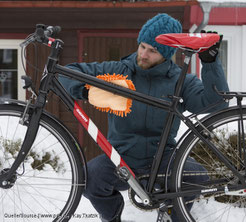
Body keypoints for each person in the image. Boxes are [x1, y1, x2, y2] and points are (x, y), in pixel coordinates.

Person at [59, 13, 229, 222]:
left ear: (166, 55)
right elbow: (67, 73)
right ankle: (112, 217)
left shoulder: (180, 80)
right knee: (86, 179)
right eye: (142, 46)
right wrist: (87, 91)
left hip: (164, 159)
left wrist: (210, 63)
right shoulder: (118, 71)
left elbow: (218, 102)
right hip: (121, 159)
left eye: (153, 51)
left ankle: (171, 215)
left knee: (196, 177)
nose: (144, 54)